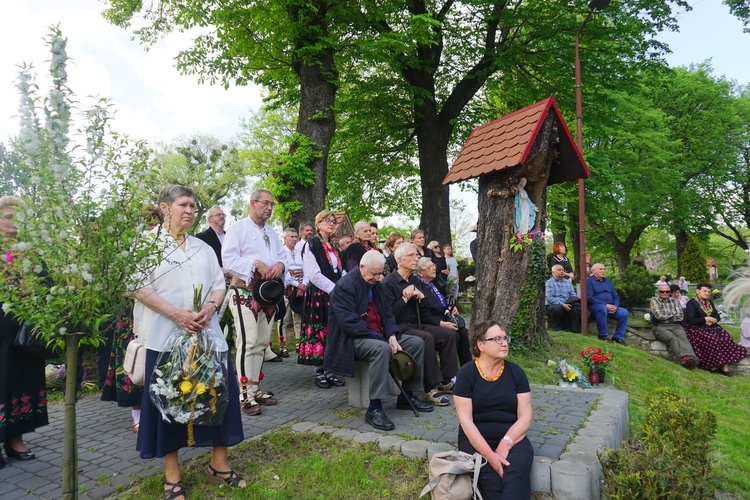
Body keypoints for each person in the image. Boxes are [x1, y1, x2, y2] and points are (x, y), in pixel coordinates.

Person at [134, 185, 245, 497]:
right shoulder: (147, 244)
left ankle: (218, 466)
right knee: (169, 403)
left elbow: (218, 285)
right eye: (183, 205)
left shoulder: (202, 247)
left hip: (208, 338)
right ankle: (172, 474)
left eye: (193, 206)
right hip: (166, 340)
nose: (189, 211)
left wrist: (210, 308)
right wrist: (176, 315)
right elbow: (139, 288)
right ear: (164, 207)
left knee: (219, 397)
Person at [323, 250, 432, 431]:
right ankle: (374, 408)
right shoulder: (344, 286)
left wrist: (391, 335)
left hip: (379, 336)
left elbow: (388, 314)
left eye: (380, 273)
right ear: (362, 267)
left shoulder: (377, 284)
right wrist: (383, 339)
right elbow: (349, 324)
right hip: (352, 339)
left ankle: (407, 395)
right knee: (382, 349)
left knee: (416, 343)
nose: (377, 277)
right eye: (373, 274)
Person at [223, 189, 287, 416]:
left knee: (261, 342)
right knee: (248, 341)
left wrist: (280, 264)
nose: (269, 208)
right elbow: (228, 258)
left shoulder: (272, 232)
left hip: (267, 294)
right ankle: (242, 393)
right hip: (244, 291)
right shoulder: (237, 228)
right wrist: (254, 264)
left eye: (272, 204)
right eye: (265, 203)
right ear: (253, 203)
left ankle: (254, 388)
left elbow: (283, 255)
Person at [454, 321, 533, 499]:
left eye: (505, 338)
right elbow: (466, 421)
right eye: (497, 339)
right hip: (476, 439)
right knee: (492, 482)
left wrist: (506, 443)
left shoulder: (517, 373)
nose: (504, 343)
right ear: (480, 344)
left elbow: (525, 416)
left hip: (513, 437)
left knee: (516, 474)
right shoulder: (466, 374)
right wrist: (490, 455)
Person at [0, 196, 49, 469]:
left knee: (19, 381)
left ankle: (14, 438)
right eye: (8, 217)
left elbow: (48, 284)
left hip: (25, 333)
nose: (13, 224)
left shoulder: (30, 252)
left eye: (19, 219)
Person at [382, 243, 457, 405]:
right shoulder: (389, 283)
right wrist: (404, 299)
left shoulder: (415, 280)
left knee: (448, 334)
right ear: (400, 260)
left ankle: (446, 380)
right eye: (412, 255)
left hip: (416, 324)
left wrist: (421, 298)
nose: (416, 258)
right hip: (399, 327)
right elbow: (388, 315)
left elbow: (425, 312)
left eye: (417, 255)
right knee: (426, 338)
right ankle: (429, 389)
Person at [299, 210, 345, 389]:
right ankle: (320, 372)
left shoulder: (334, 246)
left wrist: (344, 286)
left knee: (332, 331)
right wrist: (335, 289)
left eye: (333, 221)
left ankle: (330, 371)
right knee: (320, 330)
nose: (331, 224)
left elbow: (339, 271)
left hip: (334, 294)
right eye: (327, 221)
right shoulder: (312, 244)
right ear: (318, 224)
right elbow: (313, 274)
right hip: (319, 294)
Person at [683, 283, 748, 376]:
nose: (707, 293)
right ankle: (713, 366)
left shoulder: (709, 302)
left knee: (726, 338)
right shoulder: (692, 303)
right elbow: (691, 320)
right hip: (696, 328)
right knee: (713, 340)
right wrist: (705, 319)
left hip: (711, 326)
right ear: (697, 291)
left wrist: (713, 320)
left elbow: (717, 316)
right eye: (704, 291)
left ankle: (725, 368)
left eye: (709, 292)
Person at [417, 257, 471, 366]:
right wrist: (440, 323)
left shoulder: (434, 283)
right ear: (420, 272)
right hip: (432, 323)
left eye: (433, 266)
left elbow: (444, 301)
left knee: (464, 333)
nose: (433, 269)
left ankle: (468, 369)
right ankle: (450, 375)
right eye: (429, 267)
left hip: (445, 318)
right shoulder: (419, 287)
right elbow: (423, 313)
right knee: (452, 335)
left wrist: (451, 308)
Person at [649, 285, 699, 369]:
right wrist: (673, 314)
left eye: (667, 292)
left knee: (683, 336)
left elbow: (680, 316)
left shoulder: (674, 301)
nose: (665, 293)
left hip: (675, 325)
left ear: (670, 292)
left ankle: (691, 357)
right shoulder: (654, 301)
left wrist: (668, 315)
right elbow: (659, 316)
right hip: (660, 325)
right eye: (662, 291)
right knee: (672, 338)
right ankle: (685, 358)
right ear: (658, 292)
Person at [278, 227, 306, 358]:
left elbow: (307, 269)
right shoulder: (281, 252)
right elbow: (285, 273)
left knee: (299, 317)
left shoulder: (300, 252)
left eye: (296, 237)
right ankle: (282, 346)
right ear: (285, 238)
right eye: (291, 237)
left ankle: (298, 343)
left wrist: (303, 285)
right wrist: (297, 285)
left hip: (300, 288)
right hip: (287, 289)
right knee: (284, 318)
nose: (294, 239)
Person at [587, 263, 629, 345]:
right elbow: (589, 297)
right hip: (595, 307)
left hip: (611, 307)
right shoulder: (589, 281)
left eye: (604, 269)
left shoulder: (608, 281)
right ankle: (603, 336)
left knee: (624, 312)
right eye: (600, 269)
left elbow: (615, 296)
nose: (603, 271)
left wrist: (615, 306)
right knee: (602, 308)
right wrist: (605, 305)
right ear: (593, 271)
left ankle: (618, 337)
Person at [545, 265, 581, 333]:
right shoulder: (549, 282)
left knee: (577, 307)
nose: (561, 271)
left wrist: (570, 303)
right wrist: (562, 304)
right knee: (557, 308)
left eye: (562, 270)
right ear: (553, 273)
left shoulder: (567, 282)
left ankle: (574, 329)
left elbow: (573, 295)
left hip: (567, 303)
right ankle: (557, 327)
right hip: (552, 305)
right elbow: (549, 298)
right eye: (559, 270)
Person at [195, 206, 228, 273]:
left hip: (234, 279)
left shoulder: (230, 236)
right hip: (213, 278)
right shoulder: (201, 237)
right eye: (218, 215)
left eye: (223, 214)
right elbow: (201, 261)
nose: (222, 216)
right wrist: (220, 270)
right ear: (210, 220)